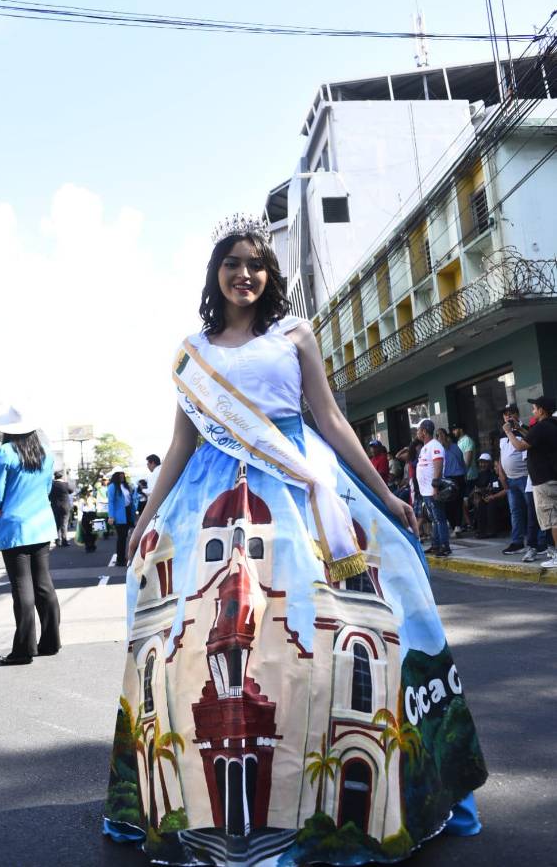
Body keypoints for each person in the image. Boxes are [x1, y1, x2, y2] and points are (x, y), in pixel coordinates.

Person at [103, 216, 485, 862]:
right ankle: (209, 810)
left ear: (269, 276)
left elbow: (329, 417)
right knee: (197, 650)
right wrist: (146, 518)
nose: (245, 273)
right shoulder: (193, 351)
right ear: (215, 274)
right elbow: (180, 444)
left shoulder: (294, 333)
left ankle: (338, 802)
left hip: (301, 492)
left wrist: (385, 494)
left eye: (256, 263)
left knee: (326, 642)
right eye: (233, 263)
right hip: (211, 505)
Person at [0, 407, 60, 665]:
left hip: (13, 527)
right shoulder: (46, 454)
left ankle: (23, 650)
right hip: (41, 525)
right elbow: (48, 488)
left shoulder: (4, 453)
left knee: (22, 588)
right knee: (44, 585)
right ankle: (51, 642)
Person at [501, 396, 557, 569]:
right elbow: (533, 438)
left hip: (544, 480)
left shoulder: (541, 427)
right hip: (551, 477)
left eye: (534, 408)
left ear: (541, 410)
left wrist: (509, 432)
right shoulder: (551, 425)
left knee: (552, 519)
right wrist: (520, 427)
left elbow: (520, 446)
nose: (532, 411)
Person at [416, 418, 451, 556]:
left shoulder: (435, 446)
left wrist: (435, 487)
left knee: (439, 519)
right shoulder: (425, 447)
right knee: (434, 520)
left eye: (419, 430)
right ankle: (435, 545)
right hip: (426, 491)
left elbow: (438, 466)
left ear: (424, 431)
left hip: (433, 490)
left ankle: (444, 546)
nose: (417, 433)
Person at [497, 404, 529, 555]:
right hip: (510, 479)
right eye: (505, 415)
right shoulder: (503, 435)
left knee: (531, 510)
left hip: (524, 477)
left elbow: (524, 450)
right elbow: (502, 454)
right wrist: (501, 473)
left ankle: (537, 542)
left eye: (510, 414)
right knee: (515, 511)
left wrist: (512, 430)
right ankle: (517, 542)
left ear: (517, 414)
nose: (507, 417)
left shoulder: (524, 431)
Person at [436, 428, 466, 536]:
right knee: (454, 503)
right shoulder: (450, 447)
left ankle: (456, 526)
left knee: (452, 503)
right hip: (455, 477)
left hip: (451, 478)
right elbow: (462, 462)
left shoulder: (446, 448)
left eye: (441, 435)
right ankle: (456, 526)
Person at [471, 454, 508, 538]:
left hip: (498, 498)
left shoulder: (495, 475)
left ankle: (491, 531)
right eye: (481, 462)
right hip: (487, 497)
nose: (482, 465)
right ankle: (481, 531)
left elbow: (502, 490)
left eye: (485, 462)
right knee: (481, 504)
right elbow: (479, 488)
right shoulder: (480, 475)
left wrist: (492, 496)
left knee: (491, 504)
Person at [451, 423, 478, 531]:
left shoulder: (467, 440)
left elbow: (467, 460)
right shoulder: (459, 442)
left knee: (469, 501)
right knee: (463, 502)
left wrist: (464, 474)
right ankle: (469, 523)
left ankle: (473, 523)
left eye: (455, 429)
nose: (453, 432)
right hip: (462, 476)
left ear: (460, 429)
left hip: (469, 476)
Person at [107, 467, 135, 566]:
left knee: (125, 536)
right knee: (121, 537)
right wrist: (111, 516)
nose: (122, 476)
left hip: (127, 512)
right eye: (120, 474)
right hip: (119, 515)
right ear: (116, 476)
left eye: (123, 474)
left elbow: (129, 499)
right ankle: (120, 559)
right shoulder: (112, 486)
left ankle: (123, 557)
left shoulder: (125, 486)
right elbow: (110, 502)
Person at [49, 471, 73, 547]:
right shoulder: (65, 484)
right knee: (64, 523)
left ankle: (57, 541)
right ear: (61, 477)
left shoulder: (51, 485)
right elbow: (71, 490)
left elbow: (48, 494)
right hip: (65, 506)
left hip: (55, 506)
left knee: (56, 523)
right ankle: (64, 540)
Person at [77, 487, 98, 553]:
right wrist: (79, 519)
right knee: (87, 532)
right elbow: (80, 510)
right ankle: (88, 546)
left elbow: (97, 508)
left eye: (91, 491)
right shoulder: (82, 500)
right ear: (85, 492)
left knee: (94, 532)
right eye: (89, 491)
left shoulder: (94, 499)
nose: (91, 492)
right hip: (86, 516)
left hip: (93, 515)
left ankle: (92, 545)